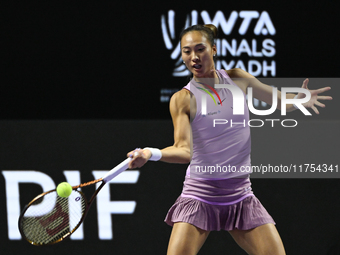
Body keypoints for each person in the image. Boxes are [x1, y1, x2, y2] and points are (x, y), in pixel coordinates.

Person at [127, 24, 332, 255]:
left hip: (240, 195)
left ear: (213, 49)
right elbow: (184, 151)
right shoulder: (182, 99)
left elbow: (277, 100)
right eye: (186, 51)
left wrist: (300, 101)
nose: (193, 57)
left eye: (200, 49)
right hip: (199, 195)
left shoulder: (238, 78)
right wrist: (149, 153)